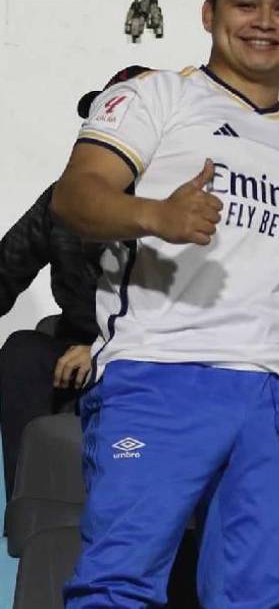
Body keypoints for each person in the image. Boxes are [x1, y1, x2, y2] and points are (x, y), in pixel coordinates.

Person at [51, 0, 279, 606]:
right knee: (117, 587)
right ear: (210, 13)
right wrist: (156, 215)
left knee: (261, 599)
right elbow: (76, 197)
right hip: (161, 371)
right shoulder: (157, 96)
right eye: (246, 4)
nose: (265, 22)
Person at [0, 66, 148, 498]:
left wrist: (105, 348)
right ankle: (27, 511)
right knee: (23, 352)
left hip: (154, 354)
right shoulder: (63, 200)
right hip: (74, 345)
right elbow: (5, 272)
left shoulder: (179, 207)